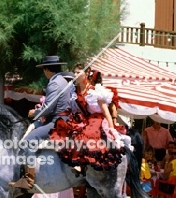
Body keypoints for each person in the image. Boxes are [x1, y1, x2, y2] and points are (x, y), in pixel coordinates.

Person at [48, 62, 126, 172]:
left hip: (97, 119)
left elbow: (106, 113)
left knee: (88, 133)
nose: (75, 75)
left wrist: (112, 129)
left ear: (87, 73)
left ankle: (82, 164)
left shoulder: (95, 91)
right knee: (68, 130)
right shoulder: (73, 90)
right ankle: (75, 163)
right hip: (83, 119)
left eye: (78, 72)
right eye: (74, 72)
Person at [9, 55, 71, 189]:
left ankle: (29, 179)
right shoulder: (63, 80)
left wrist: (34, 113)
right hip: (59, 118)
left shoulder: (54, 83)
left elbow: (48, 108)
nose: (44, 72)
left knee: (27, 142)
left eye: (44, 69)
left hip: (56, 121)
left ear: (47, 70)